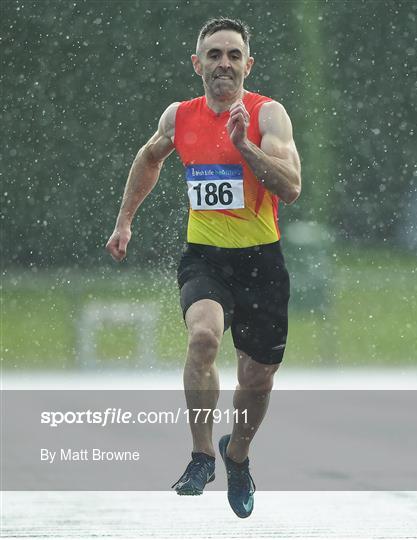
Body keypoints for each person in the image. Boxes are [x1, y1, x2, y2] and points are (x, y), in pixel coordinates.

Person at [106, 17, 301, 518]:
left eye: (234, 55)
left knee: (257, 380)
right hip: (206, 257)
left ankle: (237, 455)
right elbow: (149, 159)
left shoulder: (268, 115)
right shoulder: (180, 117)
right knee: (203, 338)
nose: (223, 64)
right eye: (213, 55)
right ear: (197, 64)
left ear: (248, 65)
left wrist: (244, 146)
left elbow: (291, 186)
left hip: (262, 262)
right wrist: (125, 221)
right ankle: (200, 455)